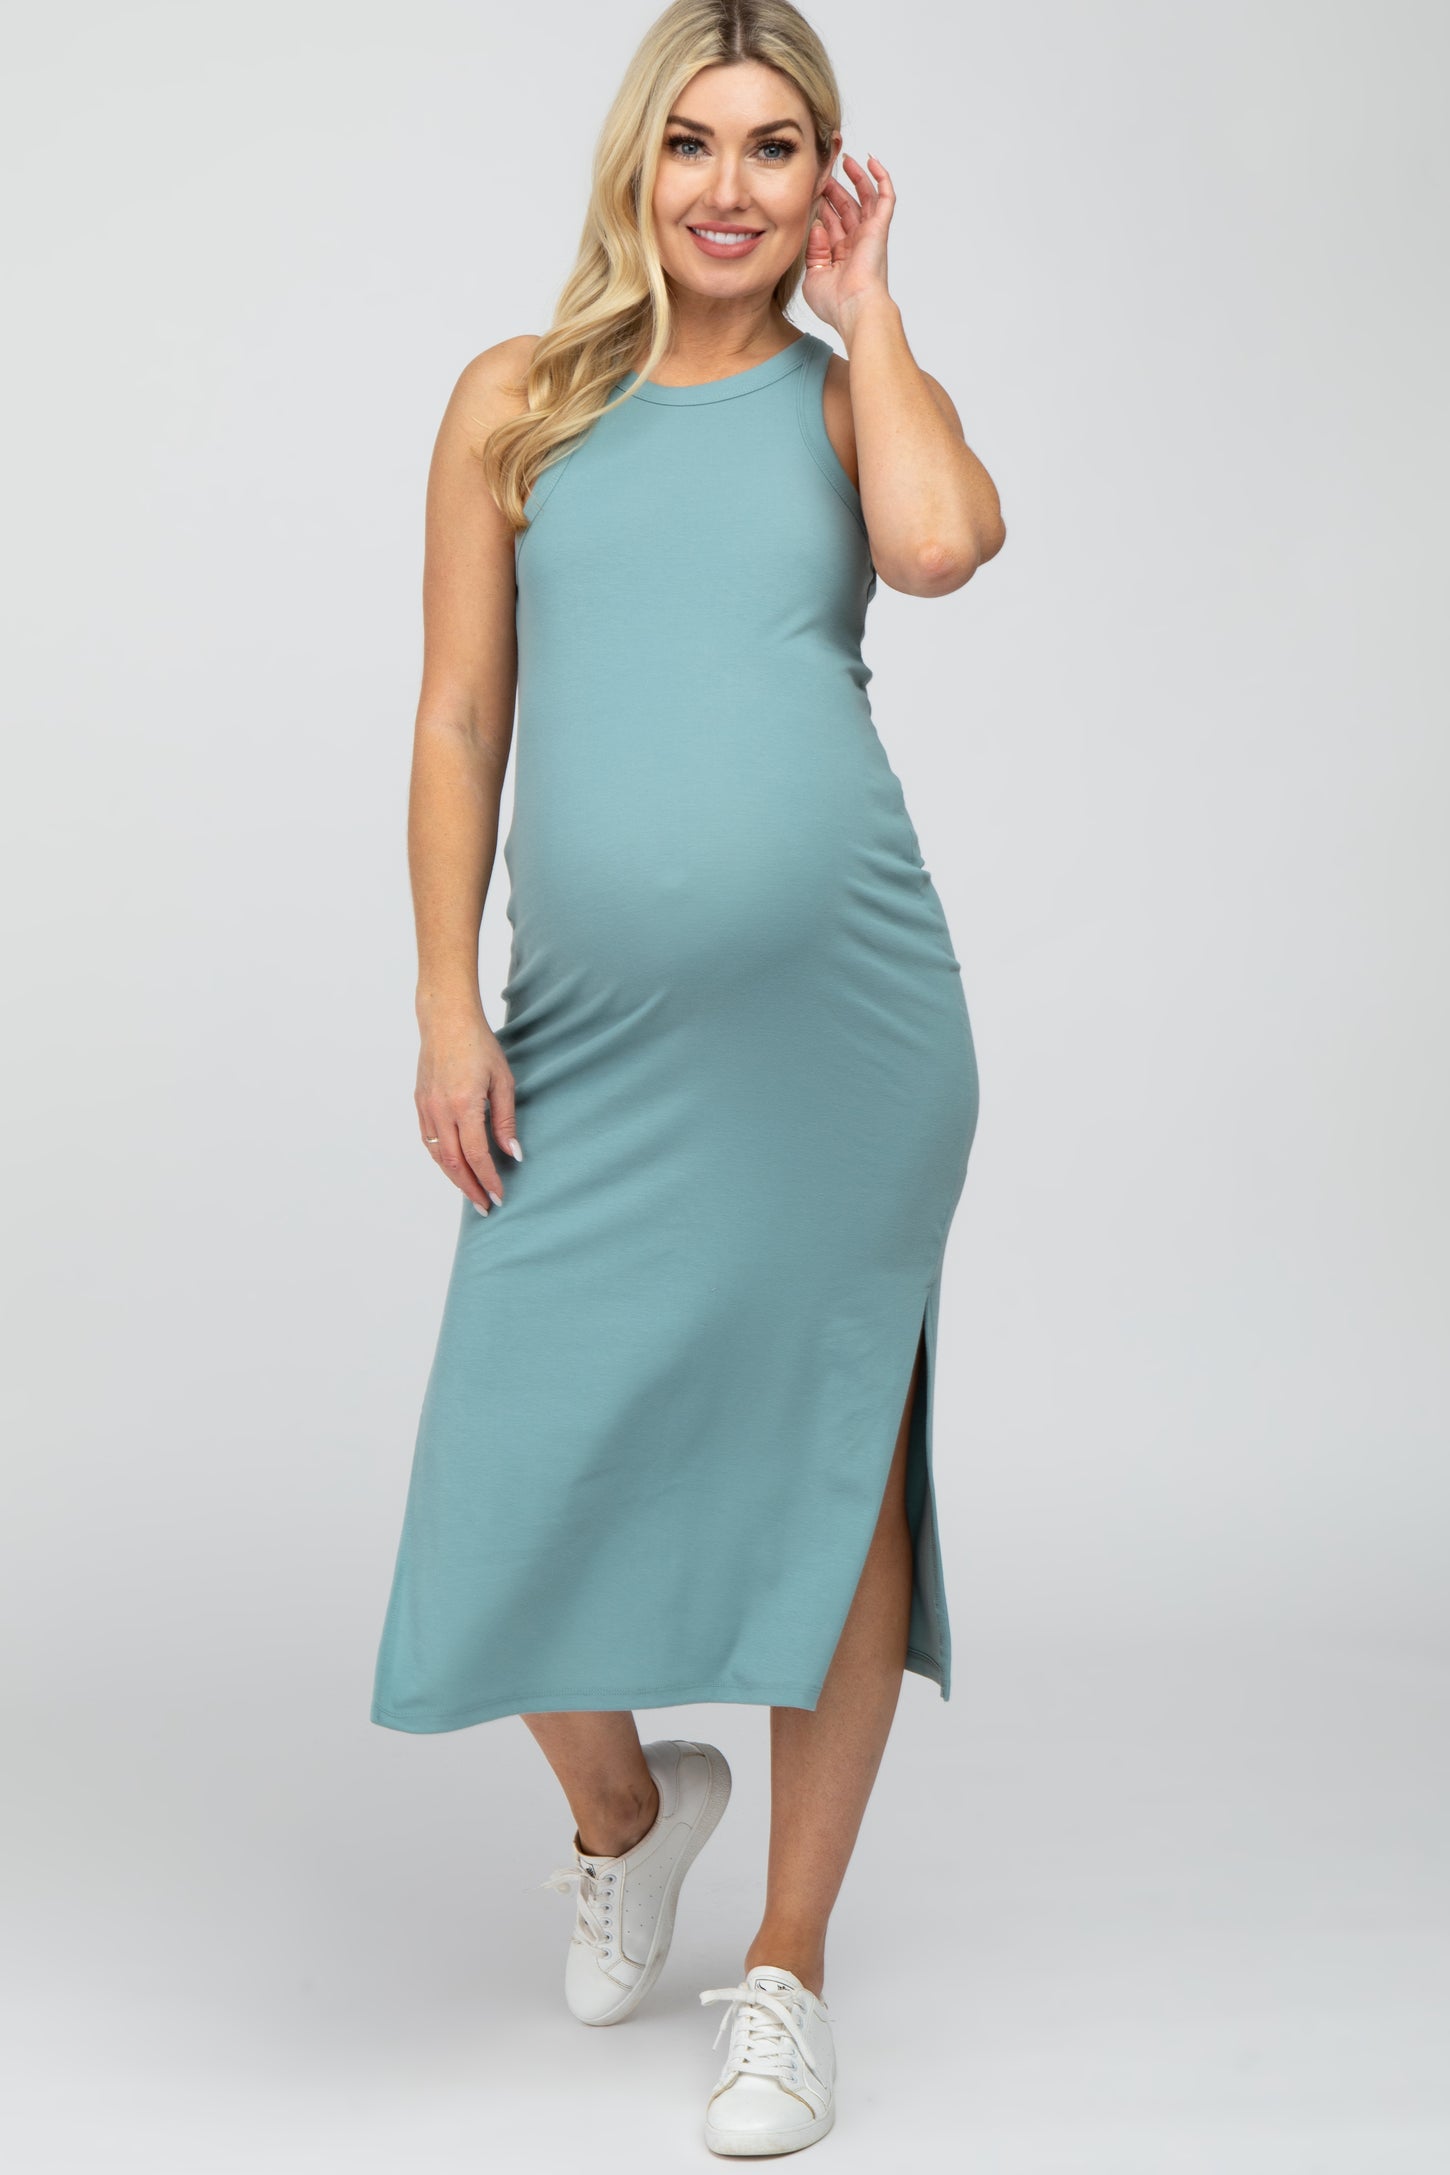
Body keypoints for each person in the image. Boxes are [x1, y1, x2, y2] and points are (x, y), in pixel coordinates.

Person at [370, 0, 1005, 2154]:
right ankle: (629, 1814)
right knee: (508, 1467)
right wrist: (446, 1002)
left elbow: (939, 545)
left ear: (822, 178)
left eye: (773, 146)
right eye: (691, 143)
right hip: (587, 1042)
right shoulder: (516, 403)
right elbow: (459, 718)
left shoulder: (843, 402)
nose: (726, 187)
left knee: (837, 1477)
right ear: (633, 165)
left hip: (845, 1036)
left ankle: (786, 1969)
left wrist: (875, 309)